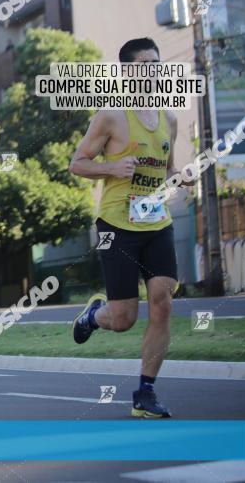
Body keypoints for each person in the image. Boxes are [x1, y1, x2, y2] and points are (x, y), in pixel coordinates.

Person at [69, 37, 187, 419]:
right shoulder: (111, 116)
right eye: (145, 64)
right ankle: (93, 315)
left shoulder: (169, 119)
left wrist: (180, 177)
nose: (154, 70)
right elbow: (78, 162)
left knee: (163, 303)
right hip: (116, 224)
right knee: (123, 319)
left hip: (157, 222)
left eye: (157, 63)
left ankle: (145, 394)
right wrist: (110, 168)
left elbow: (167, 171)